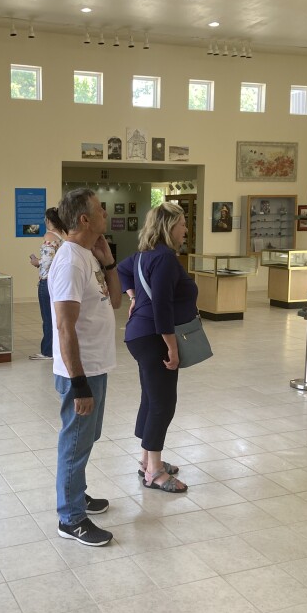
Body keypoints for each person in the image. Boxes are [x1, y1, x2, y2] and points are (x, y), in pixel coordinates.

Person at [49, 188, 122, 546]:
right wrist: (79, 384)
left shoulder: (88, 256)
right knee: (75, 441)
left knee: (87, 437)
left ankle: (76, 493)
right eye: (100, 210)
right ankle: (70, 517)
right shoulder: (70, 261)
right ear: (83, 219)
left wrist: (108, 261)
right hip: (81, 372)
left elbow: (117, 300)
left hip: (96, 365)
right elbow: (64, 326)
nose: (105, 214)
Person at [118, 202, 198, 493]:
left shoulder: (145, 255)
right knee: (163, 403)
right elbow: (162, 307)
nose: (185, 229)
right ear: (169, 227)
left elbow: (121, 270)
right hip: (153, 336)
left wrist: (133, 297)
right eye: (182, 224)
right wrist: (172, 348)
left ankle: (146, 460)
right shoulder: (164, 258)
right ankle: (154, 471)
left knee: (152, 399)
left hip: (140, 335)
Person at [28, 207, 66, 360]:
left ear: (48, 220)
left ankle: (47, 351)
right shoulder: (64, 236)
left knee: (48, 318)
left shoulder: (49, 235)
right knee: (57, 316)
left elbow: (47, 262)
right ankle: (58, 348)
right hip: (59, 281)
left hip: (47, 281)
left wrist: (35, 261)